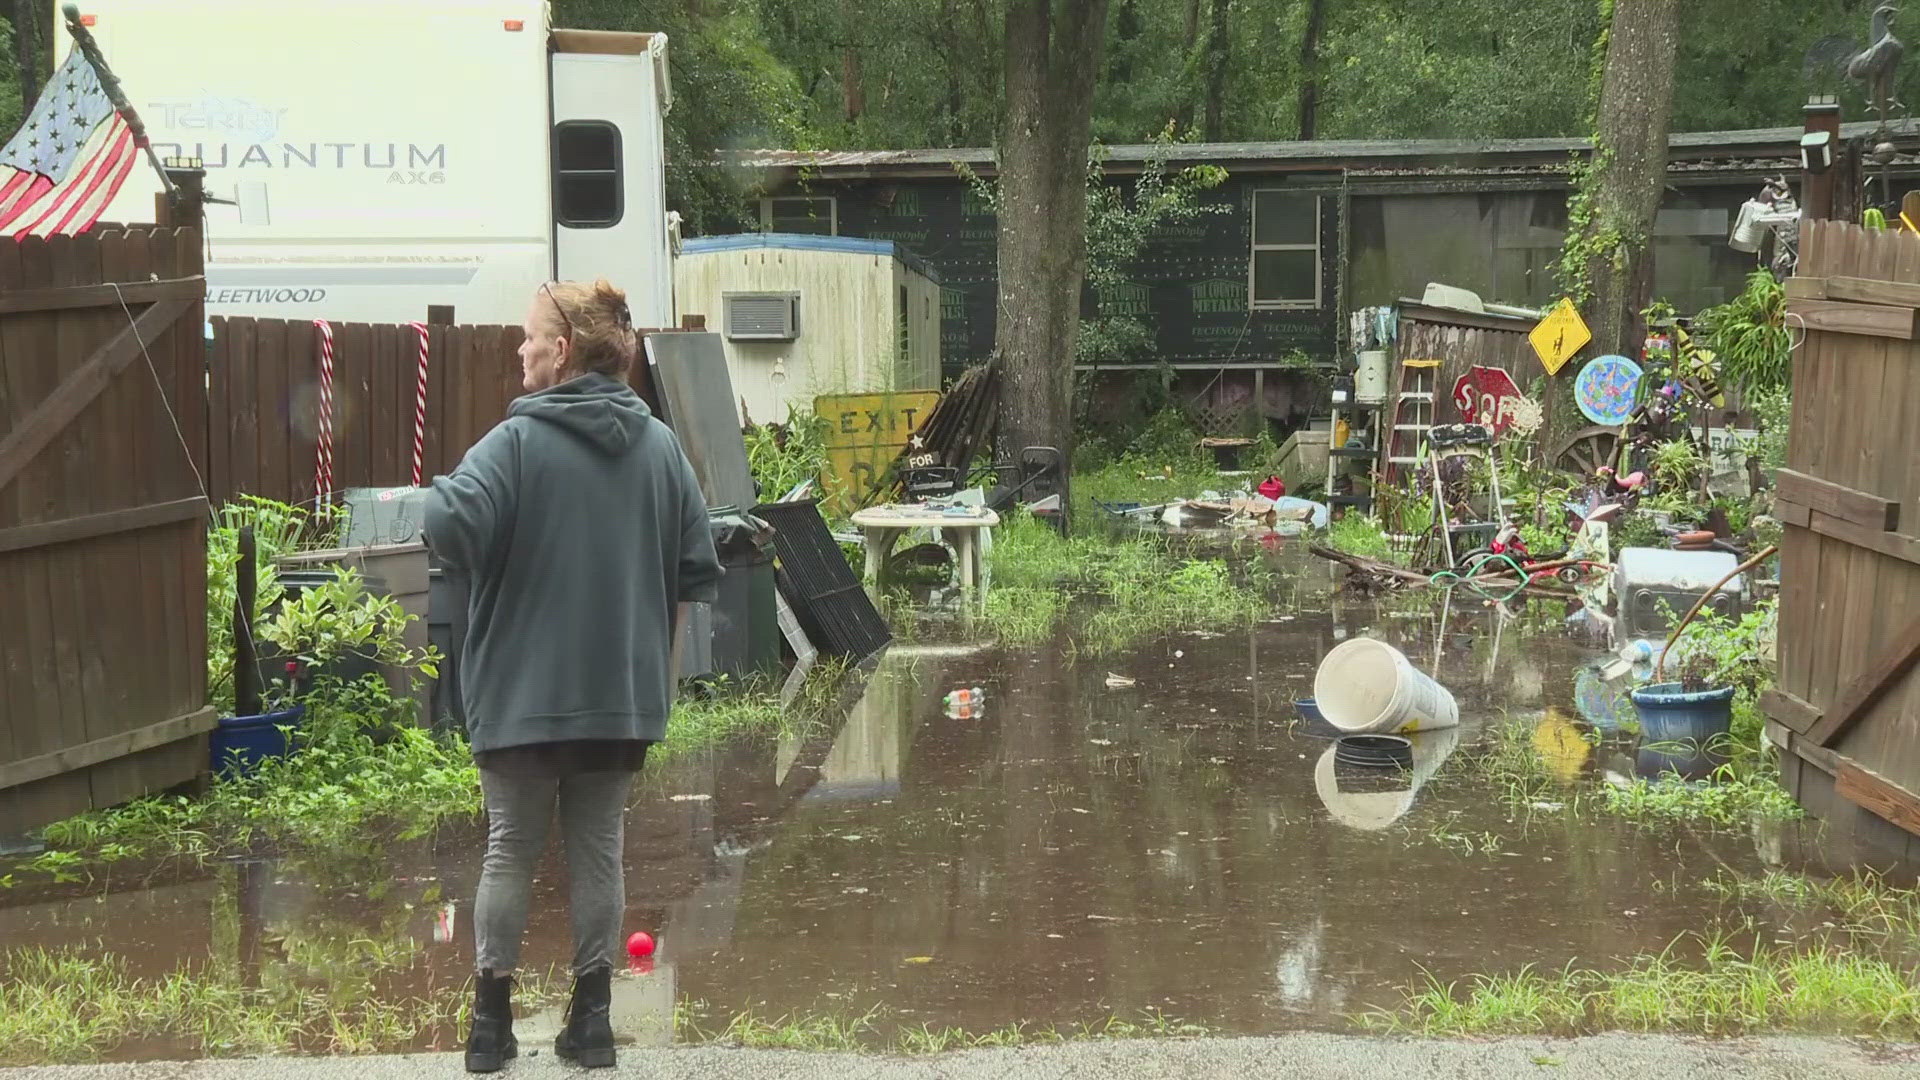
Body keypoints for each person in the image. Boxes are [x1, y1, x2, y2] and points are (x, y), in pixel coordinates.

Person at [424, 279, 722, 1072]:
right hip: (621, 704)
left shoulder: (514, 444)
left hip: (521, 701)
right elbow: (698, 565)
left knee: (510, 849)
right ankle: (591, 1025)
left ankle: (491, 1029)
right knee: (600, 853)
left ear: (560, 351)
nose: (519, 349)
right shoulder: (659, 446)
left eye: (529, 337)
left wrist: (435, 493)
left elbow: (448, 527)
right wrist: (654, 675)